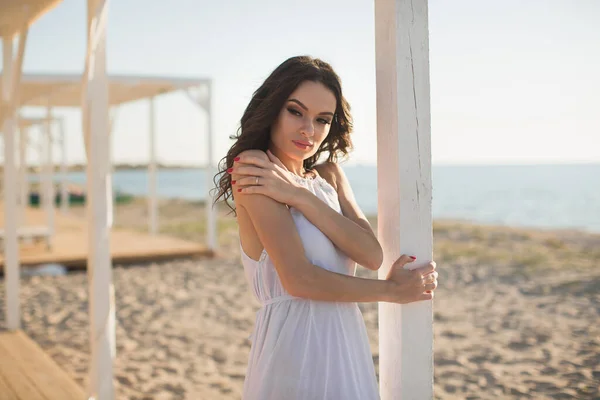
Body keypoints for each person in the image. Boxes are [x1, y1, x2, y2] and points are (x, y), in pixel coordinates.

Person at [213, 55, 438, 400]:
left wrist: (299, 196)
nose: (308, 130)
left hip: (345, 343)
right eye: (295, 111)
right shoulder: (254, 169)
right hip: (295, 349)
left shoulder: (329, 176)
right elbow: (299, 279)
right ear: (272, 108)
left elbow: (371, 254)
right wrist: (391, 292)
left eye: (322, 119)